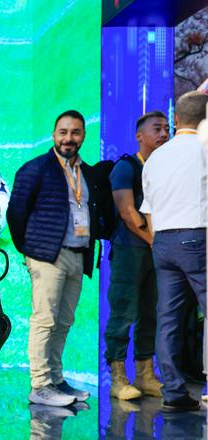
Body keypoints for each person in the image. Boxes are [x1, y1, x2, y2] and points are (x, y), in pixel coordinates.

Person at [7, 110, 112, 407]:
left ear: (83, 136)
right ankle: (40, 385)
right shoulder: (35, 168)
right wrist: (30, 250)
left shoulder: (86, 172)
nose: (69, 138)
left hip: (77, 255)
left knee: (64, 321)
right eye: (63, 132)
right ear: (54, 135)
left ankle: (55, 379)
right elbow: (16, 213)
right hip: (47, 257)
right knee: (45, 320)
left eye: (76, 132)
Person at [140, 91, 208, 413]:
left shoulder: (156, 157)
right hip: (198, 238)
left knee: (167, 321)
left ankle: (174, 392)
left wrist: (160, 241)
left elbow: (148, 208)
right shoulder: (204, 149)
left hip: (163, 242)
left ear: (176, 120)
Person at [105, 111, 169, 401]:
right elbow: (128, 213)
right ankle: (118, 378)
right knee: (123, 313)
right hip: (131, 251)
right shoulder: (126, 167)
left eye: (167, 128)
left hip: (157, 251)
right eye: (157, 128)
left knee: (150, 313)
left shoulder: (165, 168)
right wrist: (154, 241)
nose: (164, 134)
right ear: (139, 136)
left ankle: (145, 375)